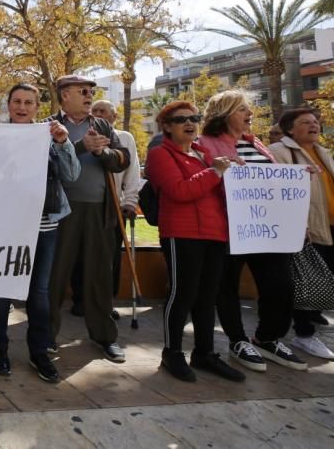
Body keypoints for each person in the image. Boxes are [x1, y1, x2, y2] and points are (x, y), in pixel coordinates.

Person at [199, 90, 306, 372]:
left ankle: (267, 338)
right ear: (224, 113)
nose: (250, 114)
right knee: (227, 286)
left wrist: (295, 180)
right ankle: (237, 341)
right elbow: (204, 182)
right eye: (243, 109)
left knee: (281, 286)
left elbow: (271, 182)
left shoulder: (256, 143)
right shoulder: (205, 144)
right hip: (228, 229)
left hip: (267, 230)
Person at [145, 101, 245, 382]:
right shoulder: (160, 154)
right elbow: (179, 191)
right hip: (182, 233)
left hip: (215, 233)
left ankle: (205, 353)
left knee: (207, 296)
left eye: (194, 118)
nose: (189, 123)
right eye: (180, 120)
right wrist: (215, 172)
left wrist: (238, 174)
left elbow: (218, 188)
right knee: (182, 293)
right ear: (166, 126)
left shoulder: (203, 154)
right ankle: (172, 352)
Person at [0, 84, 78, 384]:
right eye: (16, 101)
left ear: (37, 107)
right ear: (8, 104)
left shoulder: (50, 137)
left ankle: (39, 352)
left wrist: (63, 143)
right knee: (1, 289)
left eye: (29, 102)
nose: (22, 107)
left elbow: (71, 175)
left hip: (44, 227)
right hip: (5, 225)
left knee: (38, 293)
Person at [45, 75, 131, 362]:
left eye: (91, 91)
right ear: (64, 95)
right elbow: (45, 163)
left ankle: (106, 338)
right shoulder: (49, 125)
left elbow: (122, 159)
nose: (88, 95)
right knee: (54, 278)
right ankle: (45, 339)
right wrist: (82, 146)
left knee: (99, 278)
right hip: (62, 213)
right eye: (82, 91)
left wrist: (102, 151)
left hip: (99, 212)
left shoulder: (102, 124)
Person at [268, 107, 334, 360]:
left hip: (329, 226)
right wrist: (295, 222)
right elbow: (276, 190)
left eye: (315, 121)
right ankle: (304, 335)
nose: (313, 125)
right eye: (306, 122)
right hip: (306, 229)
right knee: (306, 281)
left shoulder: (323, 152)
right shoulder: (279, 152)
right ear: (289, 129)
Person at [77, 100, 141, 319]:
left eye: (102, 111)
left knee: (109, 257)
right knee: (80, 255)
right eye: (94, 111)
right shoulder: (82, 136)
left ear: (113, 116)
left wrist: (130, 202)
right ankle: (80, 299)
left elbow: (132, 172)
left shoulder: (124, 138)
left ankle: (106, 302)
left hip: (112, 206)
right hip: (86, 205)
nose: (97, 114)